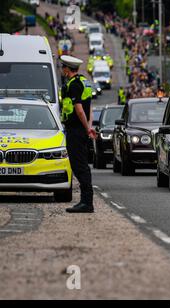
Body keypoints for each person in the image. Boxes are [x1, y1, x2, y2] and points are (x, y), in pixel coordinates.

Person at [60, 55, 97, 213]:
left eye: (63, 67)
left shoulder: (73, 85)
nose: (62, 70)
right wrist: (89, 126)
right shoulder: (84, 82)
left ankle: (86, 202)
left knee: (78, 165)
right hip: (80, 129)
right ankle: (86, 201)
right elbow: (90, 108)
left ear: (68, 69)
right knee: (82, 165)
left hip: (76, 130)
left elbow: (80, 109)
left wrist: (86, 128)